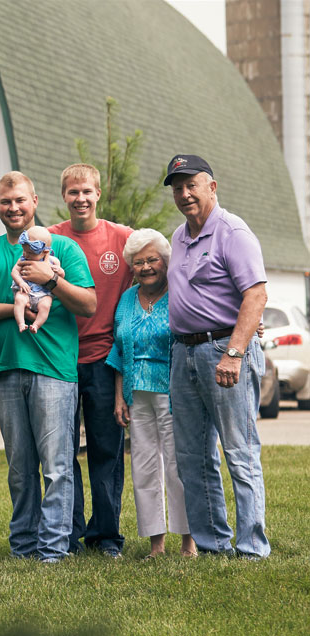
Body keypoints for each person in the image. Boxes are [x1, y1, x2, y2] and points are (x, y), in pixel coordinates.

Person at [0, 171, 96, 563]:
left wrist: (50, 283)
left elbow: (88, 305)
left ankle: (53, 548)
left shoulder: (63, 249)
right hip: (5, 370)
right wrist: (16, 308)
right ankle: (23, 546)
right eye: (5, 201)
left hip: (54, 370)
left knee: (56, 466)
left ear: (35, 201)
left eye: (20, 200)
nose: (14, 208)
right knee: (19, 467)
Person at [163, 154, 269, 559]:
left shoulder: (233, 232)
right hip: (184, 353)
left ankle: (251, 546)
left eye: (192, 184)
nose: (185, 193)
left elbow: (255, 294)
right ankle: (211, 545)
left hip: (224, 353)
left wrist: (235, 352)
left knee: (239, 452)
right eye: (178, 187)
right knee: (192, 456)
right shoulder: (178, 236)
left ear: (212, 186)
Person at [48, 164, 133, 557]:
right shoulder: (48, 238)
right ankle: (68, 533)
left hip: (104, 360)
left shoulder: (123, 239)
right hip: (59, 359)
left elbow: (169, 274)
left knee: (105, 450)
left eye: (87, 191)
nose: (80, 198)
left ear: (98, 194)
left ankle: (107, 536)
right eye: (73, 192)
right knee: (62, 453)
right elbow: (5, 269)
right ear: (63, 196)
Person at [106, 229, 195, 558]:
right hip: (135, 393)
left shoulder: (179, 293)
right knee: (144, 468)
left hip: (173, 392)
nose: (145, 267)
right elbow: (119, 347)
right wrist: (119, 396)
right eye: (138, 261)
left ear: (165, 260)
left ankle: (189, 541)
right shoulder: (128, 298)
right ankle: (156, 544)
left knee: (177, 467)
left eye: (152, 259)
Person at [11, 226, 62, 333]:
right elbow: (14, 272)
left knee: (46, 305)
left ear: (45, 252)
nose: (26, 255)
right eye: (24, 251)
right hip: (26, 291)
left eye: (30, 253)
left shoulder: (54, 261)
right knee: (19, 300)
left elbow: (60, 277)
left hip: (43, 294)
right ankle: (21, 323)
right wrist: (20, 282)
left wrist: (59, 271)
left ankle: (36, 325)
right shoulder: (23, 259)